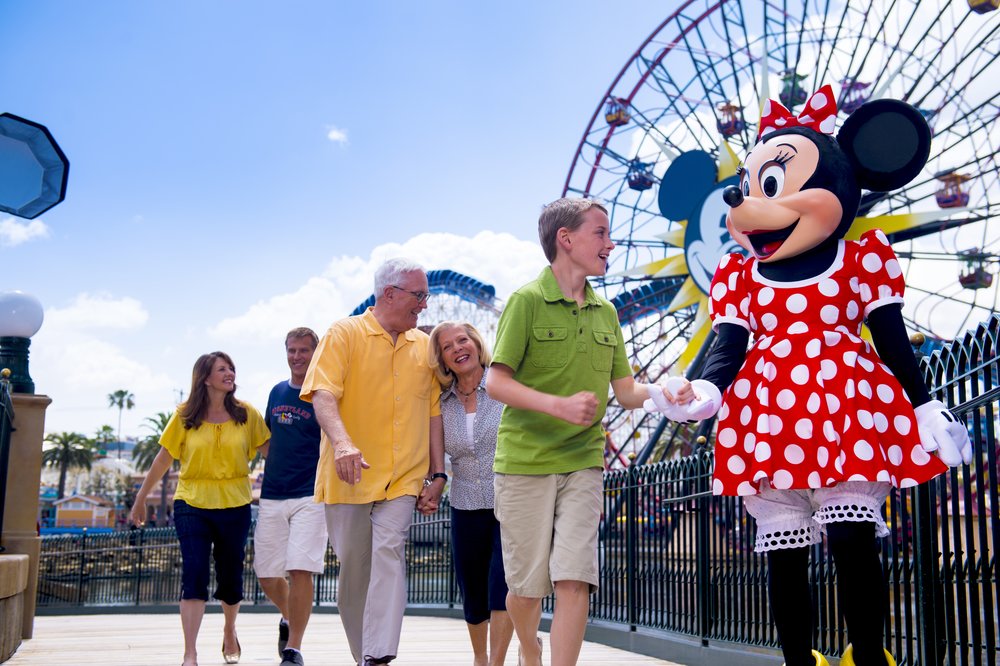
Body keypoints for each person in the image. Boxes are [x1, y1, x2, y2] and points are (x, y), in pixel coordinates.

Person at [654, 87, 972, 666]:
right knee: (784, 556)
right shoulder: (741, 276)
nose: (751, 205)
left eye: (770, 187)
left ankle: (869, 656)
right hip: (767, 415)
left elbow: (895, 343)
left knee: (852, 540)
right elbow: (726, 352)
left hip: (846, 407)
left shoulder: (860, 259)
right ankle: (798, 659)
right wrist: (701, 392)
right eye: (748, 190)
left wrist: (925, 408)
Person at [485, 197, 670, 666]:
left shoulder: (606, 313)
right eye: (601, 233)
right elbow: (496, 381)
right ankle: (530, 648)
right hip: (525, 462)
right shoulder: (527, 301)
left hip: (584, 460)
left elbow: (626, 393)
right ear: (565, 239)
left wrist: (669, 392)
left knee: (574, 579)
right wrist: (558, 405)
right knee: (525, 590)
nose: (611, 244)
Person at [300, 258, 444, 666]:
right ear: (390, 294)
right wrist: (343, 444)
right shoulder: (343, 333)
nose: (425, 306)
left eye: (427, 296)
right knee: (355, 575)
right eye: (419, 296)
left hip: (404, 477)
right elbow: (323, 394)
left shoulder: (423, 347)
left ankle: (378, 656)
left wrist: (438, 473)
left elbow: (434, 415)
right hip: (351, 475)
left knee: (388, 551)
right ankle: (363, 655)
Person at [131, 351, 269, 666]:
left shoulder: (246, 414)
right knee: (194, 573)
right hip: (192, 501)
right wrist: (141, 498)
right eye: (222, 369)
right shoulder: (184, 416)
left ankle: (230, 629)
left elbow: (271, 452)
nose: (230, 373)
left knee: (230, 576)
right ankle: (190, 653)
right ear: (205, 377)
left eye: (232, 367)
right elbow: (163, 459)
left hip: (235, 504)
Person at [423, 321, 513, 666]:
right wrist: (435, 482)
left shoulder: (505, 387)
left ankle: (496, 661)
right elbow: (437, 456)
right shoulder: (440, 403)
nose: (458, 348)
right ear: (442, 359)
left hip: (509, 499)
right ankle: (480, 657)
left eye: (463, 340)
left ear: (477, 344)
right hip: (465, 502)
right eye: (448, 346)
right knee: (472, 587)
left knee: (501, 584)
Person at [254, 327, 326, 666]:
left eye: (304, 351)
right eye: (291, 350)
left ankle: (293, 648)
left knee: (300, 569)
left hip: (310, 495)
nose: (297, 357)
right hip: (271, 494)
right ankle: (288, 617)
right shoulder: (277, 392)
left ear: (316, 352)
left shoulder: (324, 394)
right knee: (267, 574)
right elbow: (269, 440)